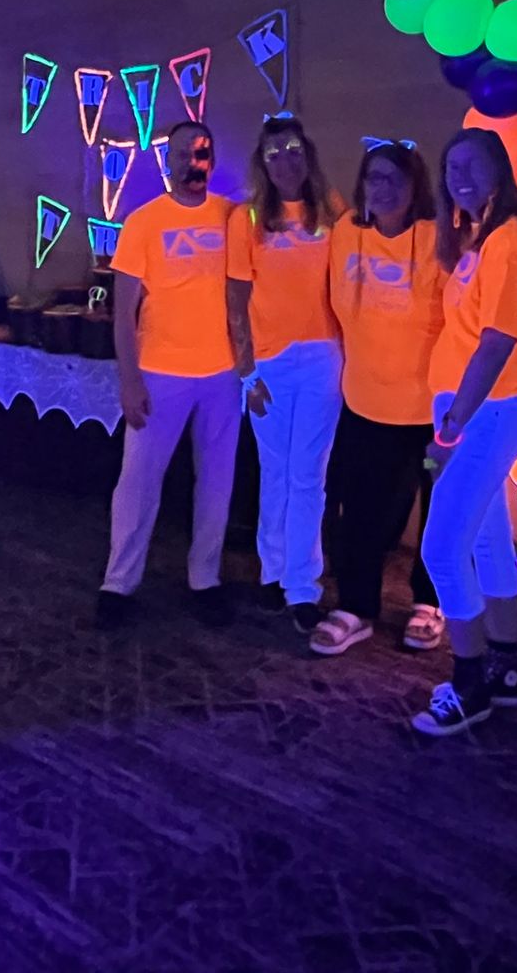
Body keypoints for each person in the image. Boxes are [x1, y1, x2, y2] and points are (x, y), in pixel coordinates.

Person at [411, 126, 517, 735]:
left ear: (501, 172)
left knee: (441, 547)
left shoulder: (512, 244)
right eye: (451, 167)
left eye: (473, 164)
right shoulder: (479, 240)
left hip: (489, 410)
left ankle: (469, 685)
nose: (460, 176)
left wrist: (451, 426)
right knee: (489, 543)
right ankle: (506, 669)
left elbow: (497, 344)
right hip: (475, 409)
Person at [98, 120, 240, 630]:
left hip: (223, 374)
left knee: (217, 482)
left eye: (201, 152)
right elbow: (123, 313)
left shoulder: (232, 217)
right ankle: (118, 584)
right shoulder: (142, 221)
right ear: (168, 160)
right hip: (160, 373)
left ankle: (206, 579)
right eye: (181, 153)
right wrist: (129, 379)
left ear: (212, 157)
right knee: (137, 482)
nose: (191, 162)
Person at [308, 139, 448, 657]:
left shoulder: (440, 239)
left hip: (432, 402)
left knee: (438, 512)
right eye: (374, 178)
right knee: (360, 511)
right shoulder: (347, 233)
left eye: (394, 179)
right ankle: (356, 608)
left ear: (416, 189)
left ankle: (430, 604)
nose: (382, 188)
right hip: (364, 400)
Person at [226, 113, 344, 635]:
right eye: (273, 153)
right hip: (268, 364)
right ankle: (273, 574)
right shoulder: (247, 219)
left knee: (307, 475)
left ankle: (303, 586)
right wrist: (246, 372)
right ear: (262, 162)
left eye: (293, 149)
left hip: (323, 358)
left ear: (308, 154)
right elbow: (236, 298)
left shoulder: (333, 210)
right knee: (275, 473)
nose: (284, 161)